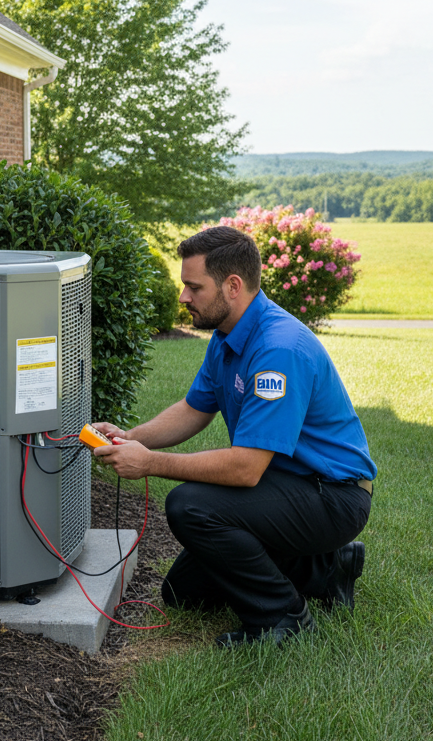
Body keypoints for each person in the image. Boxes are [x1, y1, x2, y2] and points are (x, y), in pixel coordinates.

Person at [92, 225, 377, 647]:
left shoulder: (278, 350)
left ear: (232, 285)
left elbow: (245, 469)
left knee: (190, 506)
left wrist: (150, 463)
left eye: (193, 287)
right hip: (287, 484)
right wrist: (133, 437)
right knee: (183, 594)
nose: (184, 297)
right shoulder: (228, 335)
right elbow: (194, 409)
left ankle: (283, 619)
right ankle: (327, 569)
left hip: (332, 495)